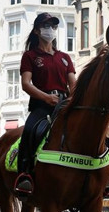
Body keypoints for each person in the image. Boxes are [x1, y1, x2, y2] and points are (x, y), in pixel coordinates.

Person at [14, 12, 76, 197]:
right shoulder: (30, 56)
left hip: (64, 104)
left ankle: (101, 176)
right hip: (42, 105)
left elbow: (73, 84)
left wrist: (72, 99)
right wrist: (46, 98)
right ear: (36, 30)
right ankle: (24, 174)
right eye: (46, 25)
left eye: (53, 26)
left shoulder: (64, 57)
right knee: (30, 130)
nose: (50, 29)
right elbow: (26, 84)